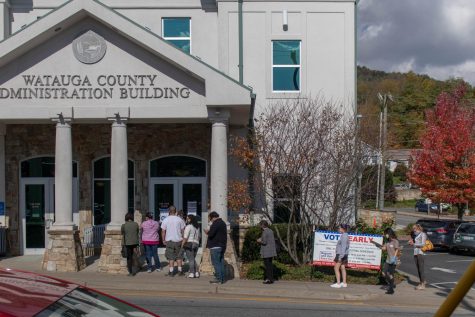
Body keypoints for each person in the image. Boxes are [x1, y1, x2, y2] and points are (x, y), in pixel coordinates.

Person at [372, 228, 399, 294]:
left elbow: (397, 250)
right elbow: (384, 248)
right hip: (388, 260)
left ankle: (391, 289)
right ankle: (391, 284)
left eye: (386, 234)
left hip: (393, 260)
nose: (385, 235)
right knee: (384, 273)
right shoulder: (387, 241)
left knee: (390, 274)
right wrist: (377, 245)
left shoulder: (395, 241)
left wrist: (394, 257)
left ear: (389, 233)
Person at [161, 205, 186, 276]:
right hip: (179, 240)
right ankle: (180, 271)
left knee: (170, 257)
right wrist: (184, 238)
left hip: (169, 241)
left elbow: (163, 231)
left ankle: (171, 271)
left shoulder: (165, 220)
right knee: (179, 256)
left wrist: (163, 240)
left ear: (169, 211)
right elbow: (183, 230)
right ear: (175, 211)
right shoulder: (180, 219)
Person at [205, 211, 227, 284]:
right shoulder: (223, 223)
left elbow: (211, 234)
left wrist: (207, 232)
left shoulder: (216, 223)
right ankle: (222, 278)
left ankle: (218, 278)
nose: (210, 220)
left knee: (216, 263)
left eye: (210, 218)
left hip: (215, 246)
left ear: (212, 217)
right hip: (222, 246)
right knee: (220, 262)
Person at [257, 220, 277, 284]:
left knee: (267, 266)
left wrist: (259, 240)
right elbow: (268, 239)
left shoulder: (265, 232)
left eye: (260, 225)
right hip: (271, 251)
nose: (260, 226)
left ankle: (268, 279)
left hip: (266, 251)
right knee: (270, 265)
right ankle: (271, 279)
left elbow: (264, 242)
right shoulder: (270, 230)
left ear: (262, 225)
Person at [408, 224, 427, 290]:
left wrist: (414, 244)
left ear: (418, 228)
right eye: (413, 229)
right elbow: (415, 244)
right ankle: (422, 282)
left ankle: (423, 284)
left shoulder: (423, 234)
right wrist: (411, 243)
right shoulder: (416, 235)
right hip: (415, 253)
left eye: (414, 228)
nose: (413, 230)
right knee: (418, 269)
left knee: (421, 269)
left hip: (420, 253)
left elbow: (423, 244)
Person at [331, 224, 350, 288]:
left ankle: (338, 283)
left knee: (336, 268)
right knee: (342, 268)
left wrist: (340, 257)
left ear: (343, 229)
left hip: (341, 254)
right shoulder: (345, 235)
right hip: (344, 254)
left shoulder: (344, 236)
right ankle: (344, 283)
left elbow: (343, 247)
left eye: (339, 228)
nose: (339, 229)